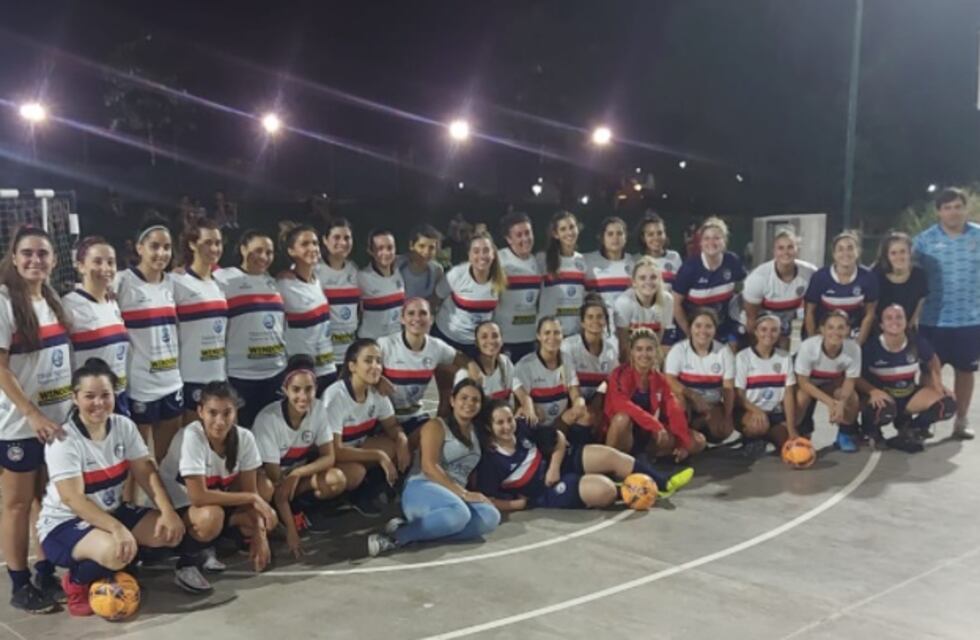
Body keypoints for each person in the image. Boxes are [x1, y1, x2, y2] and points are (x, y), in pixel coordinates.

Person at [36, 359, 184, 617]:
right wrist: (117, 529)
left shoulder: (123, 425)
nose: (98, 403)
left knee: (169, 532)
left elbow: (146, 473)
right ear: (75, 398)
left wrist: (167, 510)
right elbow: (73, 499)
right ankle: (77, 583)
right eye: (89, 396)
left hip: (111, 510)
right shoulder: (64, 440)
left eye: (105, 395)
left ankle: (115, 565)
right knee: (119, 551)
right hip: (64, 524)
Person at [0, 225, 73, 612]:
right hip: (19, 425)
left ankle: (45, 570)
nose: (35, 260)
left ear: (54, 259)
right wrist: (29, 413)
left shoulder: (52, 299)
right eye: (27, 253)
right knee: (16, 503)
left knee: (46, 500)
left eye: (42, 253)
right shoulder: (3, 302)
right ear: (14, 258)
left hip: (56, 422)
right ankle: (19, 581)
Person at [159, 381, 276, 592]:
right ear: (200, 412)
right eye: (212, 413)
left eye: (227, 413)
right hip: (179, 508)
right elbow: (198, 497)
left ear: (236, 412)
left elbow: (252, 491)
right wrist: (252, 499)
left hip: (216, 501)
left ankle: (216, 542)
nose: (220, 421)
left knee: (265, 503)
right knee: (211, 518)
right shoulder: (191, 436)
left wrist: (260, 535)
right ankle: (187, 562)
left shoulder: (244, 438)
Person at [475, 401, 690, 512]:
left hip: (559, 463)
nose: (507, 426)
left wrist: (554, 466)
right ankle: (632, 489)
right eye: (499, 423)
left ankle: (665, 482)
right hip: (547, 490)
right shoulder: (491, 461)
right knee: (604, 491)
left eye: (509, 420)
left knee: (610, 456)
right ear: (489, 427)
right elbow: (488, 499)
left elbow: (557, 436)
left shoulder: (522, 428)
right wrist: (516, 506)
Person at [366, 379, 500, 556]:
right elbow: (429, 466)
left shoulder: (478, 433)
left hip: (453, 495)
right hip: (423, 488)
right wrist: (464, 494)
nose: (469, 403)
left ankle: (417, 531)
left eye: (475, 400)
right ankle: (394, 538)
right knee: (459, 514)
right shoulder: (436, 426)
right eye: (464, 398)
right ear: (452, 401)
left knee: (491, 517)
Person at [253, 355, 344, 556]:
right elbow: (278, 483)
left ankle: (299, 513)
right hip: (273, 484)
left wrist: (298, 473)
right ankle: (264, 524)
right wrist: (292, 534)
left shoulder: (318, 409)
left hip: (293, 480)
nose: (303, 396)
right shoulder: (268, 420)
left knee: (336, 478)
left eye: (309, 389)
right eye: (296, 390)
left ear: (316, 388)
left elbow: (329, 457)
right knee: (266, 488)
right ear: (285, 389)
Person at [913, 187, 980, 439]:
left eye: (957, 206)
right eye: (947, 207)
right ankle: (928, 419)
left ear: (966, 209)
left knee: (966, 371)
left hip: (970, 321)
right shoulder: (924, 241)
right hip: (933, 320)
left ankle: (961, 421)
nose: (953, 212)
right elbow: (907, 274)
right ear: (939, 212)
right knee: (930, 371)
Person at [115, 219, 183, 460]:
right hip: (141, 385)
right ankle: (131, 499)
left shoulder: (173, 283)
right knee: (139, 459)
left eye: (167, 247)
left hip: (171, 381)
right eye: (154, 246)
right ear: (139, 248)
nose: (161, 253)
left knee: (168, 457)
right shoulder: (122, 281)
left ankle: (166, 498)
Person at [323, 339, 411, 517]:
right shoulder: (336, 396)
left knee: (395, 446)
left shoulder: (376, 392)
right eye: (368, 360)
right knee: (355, 472)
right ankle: (324, 504)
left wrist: (402, 439)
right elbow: (335, 451)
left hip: (356, 448)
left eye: (378, 361)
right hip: (329, 457)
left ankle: (367, 491)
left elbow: (392, 425)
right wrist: (378, 456)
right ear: (352, 366)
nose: (376, 366)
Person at [856, 304, 956, 452]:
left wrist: (938, 384)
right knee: (883, 410)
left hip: (908, 395)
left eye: (899, 317)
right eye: (889, 318)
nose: (894, 321)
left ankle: (912, 429)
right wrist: (872, 391)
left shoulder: (915, 341)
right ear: (881, 325)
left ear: (906, 321)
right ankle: (872, 431)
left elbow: (932, 360)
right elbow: (855, 376)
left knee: (947, 405)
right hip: (884, 399)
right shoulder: (871, 347)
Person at [379, 298, 480, 440]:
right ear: (402, 319)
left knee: (434, 438)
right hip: (385, 418)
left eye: (422, 313)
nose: (417, 318)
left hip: (415, 416)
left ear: (431, 319)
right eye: (411, 313)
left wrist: (473, 367)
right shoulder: (385, 345)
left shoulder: (436, 347)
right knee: (396, 449)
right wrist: (377, 380)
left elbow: (459, 357)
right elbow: (360, 369)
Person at [214, 230, 287, 428]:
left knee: (271, 432)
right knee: (241, 435)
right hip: (241, 376)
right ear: (243, 248)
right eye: (257, 250)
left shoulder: (274, 282)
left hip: (275, 373)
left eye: (269, 252)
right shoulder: (223, 278)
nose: (263, 257)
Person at [604, 329, 704, 460]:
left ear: (656, 352)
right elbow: (621, 405)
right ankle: (609, 462)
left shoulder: (660, 379)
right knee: (622, 419)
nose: (644, 354)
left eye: (649, 349)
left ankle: (645, 456)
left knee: (699, 441)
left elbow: (674, 411)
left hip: (647, 434)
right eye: (639, 349)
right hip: (622, 432)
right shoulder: (619, 374)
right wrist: (654, 425)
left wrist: (683, 443)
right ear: (632, 352)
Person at [63, 236, 130, 417]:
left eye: (110, 262)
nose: (105, 268)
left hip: (118, 396)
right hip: (91, 403)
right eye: (97, 262)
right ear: (81, 265)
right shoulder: (68, 306)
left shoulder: (112, 304)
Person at [172, 218, 228, 421]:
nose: (214, 248)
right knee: (191, 439)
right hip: (191, 378)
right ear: (192, 244)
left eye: (218, 243)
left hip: (219, 376)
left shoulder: (221, 283)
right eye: (208, 242)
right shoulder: (176, 282)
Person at [277, 223, 336, 396]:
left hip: (326, 364)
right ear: (291, 251)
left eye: (315, 243)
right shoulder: (284, 284)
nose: (312, 248)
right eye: (305, 244)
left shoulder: (317, 280)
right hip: (302, 370)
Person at [514, 317, 592, 445]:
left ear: (562, 336)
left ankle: (574, 452)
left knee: (585, 415)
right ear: (538, 336)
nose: (552, 337)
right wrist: (531, 407)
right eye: (547, 333)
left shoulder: (566, 359)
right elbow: (521, 401)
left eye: (556, 333)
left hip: (561, 421)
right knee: (523, 416)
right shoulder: (525, 365)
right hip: (538, 423)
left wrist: (579, 403)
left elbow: (575, 393)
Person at [664, 308, 736, 445]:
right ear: (690, 328)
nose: (703, 331)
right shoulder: (678, 350)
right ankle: (684, 433)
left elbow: (728, 388)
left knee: (722, 431)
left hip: (711, 404)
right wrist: (693, 396)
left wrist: (727, 416)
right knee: (678, 401)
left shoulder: (724, 352)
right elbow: (669, 379)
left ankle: (699, 428)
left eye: (708, 326)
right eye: (698, 326)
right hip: (687, 402)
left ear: (715, 330)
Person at [672, 217, 747, 347]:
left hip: (724, 326)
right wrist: (690, 334)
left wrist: (743, 318)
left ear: (724, 241)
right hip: (696, 329)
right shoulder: (689, 268)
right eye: (706, 238)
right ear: (700, 243)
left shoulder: (732, 261)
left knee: (733, 351)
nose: (711, 242)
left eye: (716, 238)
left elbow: (745, 291)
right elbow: (676, 304)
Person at [794, 310, 862, 451]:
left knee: (852, 399)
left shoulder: (853, 348)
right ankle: (798, 435)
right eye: (830, 327)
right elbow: (803, 383)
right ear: (822, 330)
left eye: (841, 327)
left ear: (848, 330)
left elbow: (850, 381)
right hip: (808, 385)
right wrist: (831, 403)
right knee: (802, 398)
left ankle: (844, 434)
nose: (835, 332)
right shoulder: (808, 347)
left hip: (830, 384)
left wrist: (841, 404)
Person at [433, 231, 506, 359]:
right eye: (476, 251)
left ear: (493, 254)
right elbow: (436, 298)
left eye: (486, 250)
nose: (481, 255)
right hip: (447, 337)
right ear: (469, 255)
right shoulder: (457, 274)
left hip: (476, 343)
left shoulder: (499, 279)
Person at [734, 314, 798, 458]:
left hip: (774, 413)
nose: (768, 334)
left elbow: (788, 394)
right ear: (756, 332)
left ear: (779, 333)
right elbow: (739, 396)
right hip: (749, 411)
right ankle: (751, 439)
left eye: (774, 330)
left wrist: (791, 428)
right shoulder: (743, 357)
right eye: (763, 329)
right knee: (758, 425)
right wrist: (757, 410)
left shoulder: (784, 357)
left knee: (788, 441)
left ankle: (767, 437)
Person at [741, 227, 815, 349]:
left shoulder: (809, 272)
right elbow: (751, 318)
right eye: (781, 248)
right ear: (774, 252)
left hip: (785, 322)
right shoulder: (759, 277)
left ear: (797, 250)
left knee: (783, 355)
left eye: (790, 247)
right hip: (757, 320)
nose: (786, 252)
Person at [804, 230, 878, 345]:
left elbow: (869, 314)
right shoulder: (820, 277)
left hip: (853, 334)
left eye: (850, 248)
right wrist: (813, 342)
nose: (845, 253)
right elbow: (809, 312)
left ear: (857, 252)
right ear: (833, 254)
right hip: (824, 334)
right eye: (840, 249)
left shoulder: (868, 277)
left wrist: (859, 344)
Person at [561, 294, 619, 432]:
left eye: (600, 316)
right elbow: (571, 384)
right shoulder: (569, 346)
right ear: (582, 322)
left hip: (593, 401)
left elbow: (610, 382)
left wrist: (597, 403)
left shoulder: (610, 350)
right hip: (568, 401)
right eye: (590, 317)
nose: (595, 321)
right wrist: (579, 404)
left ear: (606, 321)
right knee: (584, 416)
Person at [453, 321, 535, 417]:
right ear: (476, 343)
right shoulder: (465, 373)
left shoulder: (505, 362)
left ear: (502, 340)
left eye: (495, 336)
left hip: (502, 425)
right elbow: (460, 412)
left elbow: (522, 394)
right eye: (484, 337)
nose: (491, 341)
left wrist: (528, 409)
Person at [494, 212, 542, 363]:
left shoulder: (537, 262)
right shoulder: (499, 261)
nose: (525, 239)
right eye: (519, 235)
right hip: (505, 340)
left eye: (528, 233)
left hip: (531, 339)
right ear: (509, 239)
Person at [314, 217, 360, 366]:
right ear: (325, 240)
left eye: (347, 238)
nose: (343, 242)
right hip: (322, 355)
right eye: (336, 237)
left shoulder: (354, 270)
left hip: (348, 355)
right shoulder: (314, 271)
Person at [536, 211, 587, 336]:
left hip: (575, 334)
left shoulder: (583, 260)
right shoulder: (542, 259)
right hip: (550, 334)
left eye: (572, 227)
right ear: (555, 234)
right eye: (563, 229)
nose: (569, 232)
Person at [613, 256, 674, 359]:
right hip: (630, 359)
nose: (648, 282)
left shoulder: (667, 300)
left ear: (660, 280)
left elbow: (661, 343)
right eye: (642, 278)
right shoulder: (624, 302)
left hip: (652, 357)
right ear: (634, 282)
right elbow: (623, 348)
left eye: (653, 277)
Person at [872, 231, 928, 329]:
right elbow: (870, 308)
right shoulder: (876, 275)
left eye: (903, 252)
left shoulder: (919, 274)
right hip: (878, 329)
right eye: (893, 253)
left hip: (907, 329)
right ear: (887, 255)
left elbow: (920, 302)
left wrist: (908, 329)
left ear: (910, 253)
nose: (899, 257)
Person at [357, 229, 405, 339]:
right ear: (370, 251)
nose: (386, 253)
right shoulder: (362, 277)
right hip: (371, 341)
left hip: (396, 339)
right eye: (380, 248)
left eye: (390, 248)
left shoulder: (399, 272)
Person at [584, 216, 634, 310]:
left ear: (625, 237)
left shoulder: (633, 263)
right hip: (598, 322)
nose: (615, 237)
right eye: (610, 234)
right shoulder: (587, 261)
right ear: (602, 238)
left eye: (619, 233)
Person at [634, 212, 683, 292]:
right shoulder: (636, 260)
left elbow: (680, 289)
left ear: (665, 234)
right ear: (643, 238)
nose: (656, 238)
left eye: (660, 233)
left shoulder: (675, 257)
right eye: (650, 234)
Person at [396, 224, 445, 302]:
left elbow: (435, 300)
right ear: (412, 245)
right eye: (421, 246)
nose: (426, 252)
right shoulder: (396, 264)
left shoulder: (437, 271)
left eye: (431, 248)